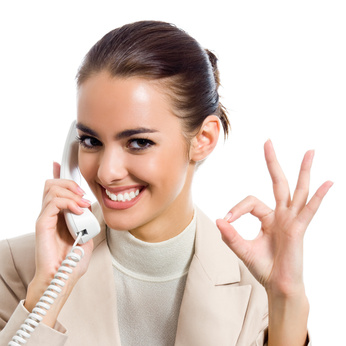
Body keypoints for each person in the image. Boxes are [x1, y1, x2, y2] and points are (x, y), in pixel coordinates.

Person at [0, 20, 332, 346]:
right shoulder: (16, 268)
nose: (106, 172)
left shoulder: (258, 286)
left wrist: (286, 295)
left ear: (202, 138)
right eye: (90, 141)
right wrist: (47, 293)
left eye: (138, 142)